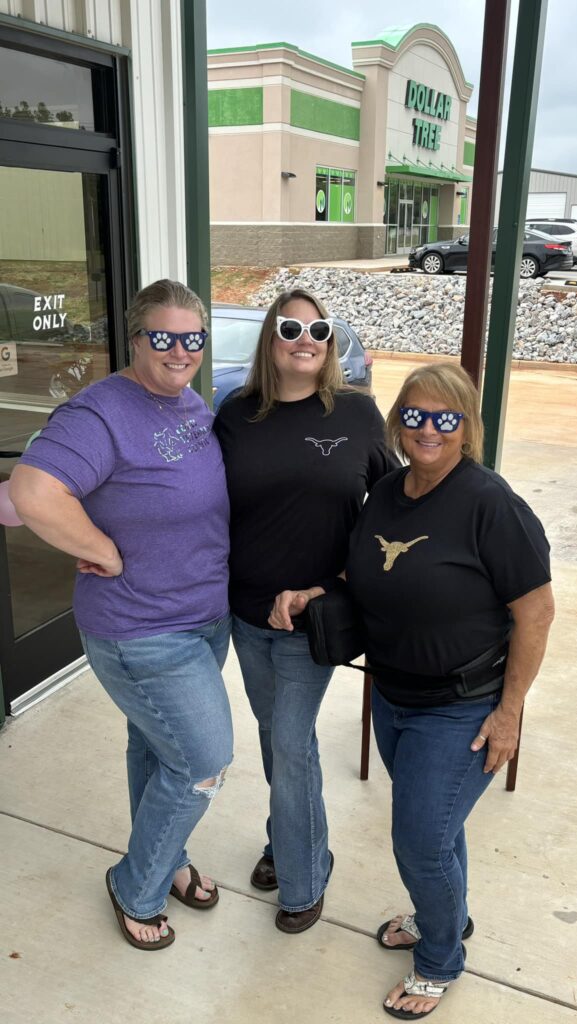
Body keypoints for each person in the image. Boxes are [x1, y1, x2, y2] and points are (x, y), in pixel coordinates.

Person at [10, 279, 232, 951]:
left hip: (203, 617)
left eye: (192, 338)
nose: (179, 351)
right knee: (202, 763)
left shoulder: (189, 402)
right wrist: (100, 548)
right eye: (163, 337)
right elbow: (33, 491)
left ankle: (168, 859)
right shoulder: (101, 411)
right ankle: (136, 886)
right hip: (141, 629)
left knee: (157, 749)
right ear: (135, 339)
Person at [341, 361, 555, 1018]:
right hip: (393, 698)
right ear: (397, 421)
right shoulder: (386, 491)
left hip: (462, 707)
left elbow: (536, 612)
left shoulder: (490, 503)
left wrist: (509, 712)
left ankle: (438, 958)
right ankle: (447, 916)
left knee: (420, 841)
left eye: (445, 418)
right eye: (415, 415)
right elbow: (362, 571)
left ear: (466, 427)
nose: (427, 429)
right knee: (437, 830)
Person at [213, 287, 397, 933]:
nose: (305, 340)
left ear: (330, 344)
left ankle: (304, 876)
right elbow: (199, 500)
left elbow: (391, 507)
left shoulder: (356, 412)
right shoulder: (236, 414)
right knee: (274, 736)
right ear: (271, 339)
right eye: (290, 328)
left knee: (291, 744)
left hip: (314, 617)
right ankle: (286, 836)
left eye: (319, 331)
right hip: (246, 613)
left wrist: (338, 582)